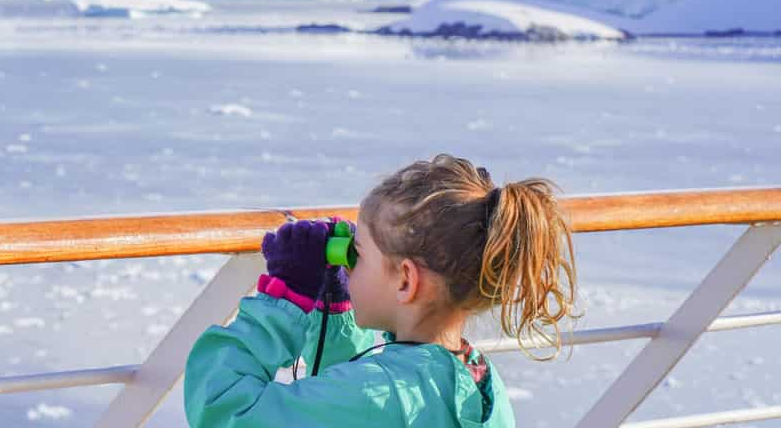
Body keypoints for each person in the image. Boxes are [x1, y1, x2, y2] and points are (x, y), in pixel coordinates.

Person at [184, 154, 577, 427]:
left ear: (406, 281)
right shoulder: (477, 382)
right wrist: (338, 312)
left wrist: (282, 299)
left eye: (360, 254)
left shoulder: (379, 393)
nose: (350, 266)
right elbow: (355, 406)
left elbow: (224, 410)